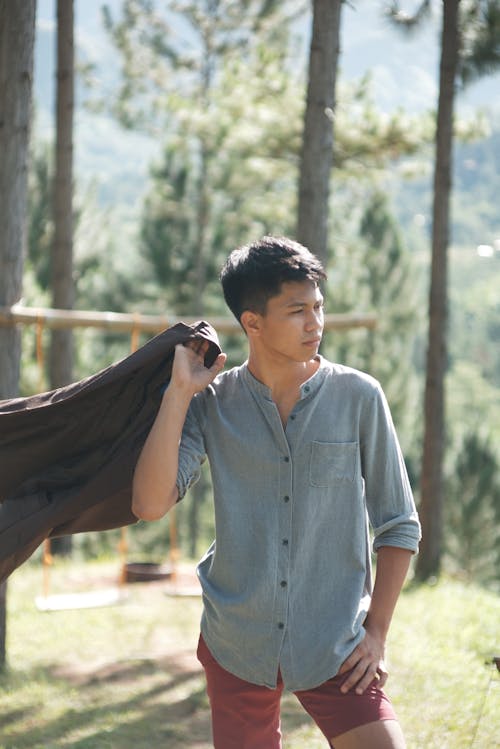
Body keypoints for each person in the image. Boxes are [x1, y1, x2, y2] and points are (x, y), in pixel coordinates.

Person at [132, 236, 421, 749]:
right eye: (297, 311)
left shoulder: (359, 396)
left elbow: (398, 524)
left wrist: (376, 633)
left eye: (318, 308)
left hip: (336, 640)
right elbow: (150, 505)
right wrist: (179, 394)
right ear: (253, 323)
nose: (315, 324)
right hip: (238, 640)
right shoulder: (213, 404)